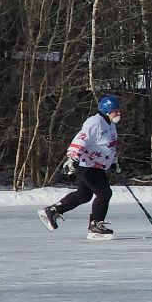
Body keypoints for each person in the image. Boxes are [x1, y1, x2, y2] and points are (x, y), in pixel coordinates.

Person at [39, 94, 124, 240]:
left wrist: (114, 162)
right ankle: (95, 226)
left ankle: (53, 211)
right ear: (106, 110)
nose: (119, 113)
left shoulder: (110, 124)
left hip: (96, 166)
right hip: (87, 165)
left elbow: (109, 146)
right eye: (115, 111)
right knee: (104, 193)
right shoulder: (95, 122)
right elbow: (80, 139)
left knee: (84, 195)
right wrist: (72, 158)